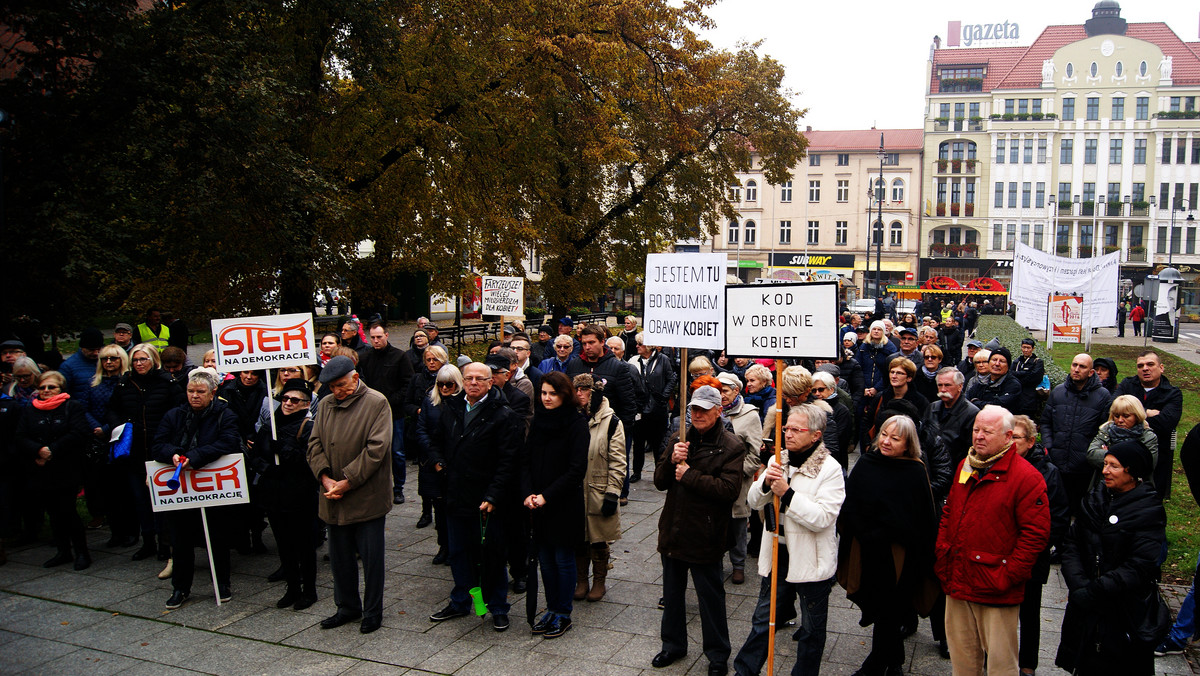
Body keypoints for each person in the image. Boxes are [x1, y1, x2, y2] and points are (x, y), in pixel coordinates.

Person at [936, 405, 1050, 676]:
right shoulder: (966, 465)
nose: (979, 436)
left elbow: (1035, 535)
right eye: (976, 429)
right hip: (958, 579)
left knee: (1001, 666)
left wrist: (1008, 575)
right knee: (963, 663)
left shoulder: (1027, 477)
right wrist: (943, 553)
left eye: (987, 431)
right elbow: (949, 511)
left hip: (995, 587)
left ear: (1008, 437)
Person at [732, 404, 844, 676]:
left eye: (796, 429)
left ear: (816, 435)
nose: (789, 434)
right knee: (763, 620)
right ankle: (745, 671)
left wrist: (789, 494)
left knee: (811, 629)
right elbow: (754, 501)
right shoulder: (777, 460)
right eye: (786, 429)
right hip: (778, 551)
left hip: (810, 559)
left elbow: (822, 518)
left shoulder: (830, 468)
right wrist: (765, 485)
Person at [652, 385, 744, 675]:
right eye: (694, 409)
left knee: (710, 598)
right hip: (674, 529)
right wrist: (671, 458)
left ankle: (717, 654)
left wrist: (690, 474)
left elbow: (728, 490)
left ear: (719, 410)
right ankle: (672, 645)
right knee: (673, 593)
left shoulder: (731, 445)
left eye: (705, 409)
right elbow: (659, 481)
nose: (698, 414)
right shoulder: (679, 439)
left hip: (706, 534)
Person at [838, 415, 938, 676]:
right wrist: (864, 531)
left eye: (895, 438)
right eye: (884, 434)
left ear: (908, 444)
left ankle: (875, 664)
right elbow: (851, 504)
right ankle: (894, 660)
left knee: (890, 607)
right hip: (867, 547)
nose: (886, 441)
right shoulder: (868, 462)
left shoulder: (915, 470)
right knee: (879, 604)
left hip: (899, 553)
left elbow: (921, 516)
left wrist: (889, 530)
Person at [1055, 440, 1165, 676]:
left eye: (1113, 466)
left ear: (1131, 471)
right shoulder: (1096, 498)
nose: (1105, 471)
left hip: (1123, 612)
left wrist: (1095, 590)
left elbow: (1139, 564)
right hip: (1086, 605)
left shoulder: (1148, 509)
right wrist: (1078, 585)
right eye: (1105, 464)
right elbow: (1073, 543)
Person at [427, 361, 522, 632]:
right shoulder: (452, 407)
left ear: (491, 382)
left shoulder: (503, 414)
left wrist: (493, 495)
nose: (473, 383)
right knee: (458, 553)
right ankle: (462, 602)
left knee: (490, 555)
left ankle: (497, 607)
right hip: (455, 494)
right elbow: (435, 441)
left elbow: (508, 461)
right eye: (469, 378)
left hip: (486, 500)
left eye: (480, 379)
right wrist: (437, 462)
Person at [307, 355, 394, 634]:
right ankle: (346, 606)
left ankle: (372, 611)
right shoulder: (325, 404)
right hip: (332, 494)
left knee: (371, 560)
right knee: (340, 557)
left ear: (355, 378)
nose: (337, 391)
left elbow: (376, 449)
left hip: (365, 496)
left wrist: (347, 480)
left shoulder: (376, 402)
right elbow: (314, 444)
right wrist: (324, 476)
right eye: (332, 387)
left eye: (342, 385)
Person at [151, 369, 241, 608]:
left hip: (212, 486)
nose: (194, 396)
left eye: (200, 392)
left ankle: (222, 584)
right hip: (182, 490)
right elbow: (158, 444)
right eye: (190, 391)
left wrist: (196, 456)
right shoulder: (174, 415)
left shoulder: (225, 415)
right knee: (180, 540)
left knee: (217, 538)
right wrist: (172, 455)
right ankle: (180, 588)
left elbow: (229, 441)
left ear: (213, 393)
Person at [521, 371, 588, 638]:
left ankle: (563, 612)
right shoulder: (538, 421)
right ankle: (550, 608)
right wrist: (527, 493)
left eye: (553, 393)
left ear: (564, 394)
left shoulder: (576, 423)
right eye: (544, 393)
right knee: (545, 560)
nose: (547, 398)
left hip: (563, 503)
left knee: (562, 559)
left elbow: (576, 469)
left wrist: (546, 495)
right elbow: (525, 459)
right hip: (537, 503)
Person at [106, 343, 185, 560]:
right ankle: (148, 541)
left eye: (144, 359)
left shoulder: (167, 382)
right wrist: (118, 426)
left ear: (153, 361)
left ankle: (164, 544)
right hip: (134, 451)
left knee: (161, 499)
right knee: (140, 500)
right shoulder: (124, 383)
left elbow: (180, 410)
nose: (139, 364)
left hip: (159, 450)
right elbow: (112, 409)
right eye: (136, 360)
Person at [249, 379, 319, 611]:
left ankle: (309, 590)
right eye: (285, 398)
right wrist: (267, 468)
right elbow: (255, 454)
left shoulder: (309, 426)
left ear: (305, 403)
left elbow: (311, 461)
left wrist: (285, 450)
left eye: (294, 400)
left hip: (299, 495)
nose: (288, 403)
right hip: (273, 493)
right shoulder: (272, 423)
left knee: (304, 544)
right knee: (283, 543)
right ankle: (292, 588)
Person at [1009, 415, 1070, 676]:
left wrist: (1037, 547)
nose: (1010, 442)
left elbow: (1058, 518)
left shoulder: (1048, 472)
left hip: (1032, 556)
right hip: (1001, 554)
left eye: (1016, 438)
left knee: (1029, 613)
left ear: (1031, 442)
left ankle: (1027, 666)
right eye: (1007, 436)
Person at [17, 371, 92, 570]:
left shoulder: (72, 406)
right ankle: (63, 551)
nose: (46, 391)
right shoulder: (30, 409)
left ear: (61, 389)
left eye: (51, 387)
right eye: (42, 388)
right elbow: (21, 435)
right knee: (53, 512)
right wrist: (38, 451)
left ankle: (82, 552)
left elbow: (79, 432)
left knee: (68, 511)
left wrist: (52, 450)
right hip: (42, 469)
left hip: (67, 467)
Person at [573, 373, 626, 603]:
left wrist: (613, 492)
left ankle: (599, 581)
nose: (579, 394)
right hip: (575, 490)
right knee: (578, 537)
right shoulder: (572, 418)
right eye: (576, 389)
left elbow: (618, 461)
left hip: (599, 488)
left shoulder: (612, 421)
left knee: (598, 539)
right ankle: (581, 580)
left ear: (594, 393)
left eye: (584, 390)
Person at [1040, 353, 1112, 514]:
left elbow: (1104, 429)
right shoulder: (1058, 392)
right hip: (1056, 460)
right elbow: (1045, 422)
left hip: (1083, 465)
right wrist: (1049, 446)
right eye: (1074, 365)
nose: (1077, 369)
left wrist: (1091, 452)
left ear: (1091, 372)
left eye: (1082, 366)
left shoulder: (1103, 396)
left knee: (1079, 509)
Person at [356, 322, 414, 505]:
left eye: (379, 337)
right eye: (372, 337)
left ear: (387, 335)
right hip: (370, 413)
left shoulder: (399, 356)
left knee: (396, 451)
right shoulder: (365, 358)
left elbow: (408, 383)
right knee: (372, 451)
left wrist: (393, 400)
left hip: (393, 412)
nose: (376, 340)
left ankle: (398, 489)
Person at [715, 372, 763, 585]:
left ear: (736, 391)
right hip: (714, 479)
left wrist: (738, 472)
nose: (721, 395)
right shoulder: (712, 410)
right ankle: (714, 561)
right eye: (718, 390)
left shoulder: (749, 414)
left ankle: (738, 565)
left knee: (738, 525)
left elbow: (754, 453)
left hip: (737, 481)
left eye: (725, 390)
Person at [1114, 351, 1182, 498]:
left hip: (1156, 457)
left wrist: (1128, 415)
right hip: (1123, 451)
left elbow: (1165, 423)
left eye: (1150, 364)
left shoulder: (1172, 393)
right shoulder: (1127, 385)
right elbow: (1112, 409)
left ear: (1161, 367)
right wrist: (1146, 412)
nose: (1145, 368)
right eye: (1140, 366)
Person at [415, 364, 463, 564]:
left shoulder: (462, 403)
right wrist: (435, 458)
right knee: (439, 508)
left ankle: (456, 546)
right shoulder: (430, 402)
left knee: (455, 510)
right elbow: (421, 429)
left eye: (449, 385)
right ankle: (443, 545)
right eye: (440, 384)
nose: (444, 389)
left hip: (455, 463)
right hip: (433, 462)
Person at [406, 344, 448, 529]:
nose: (431, 363)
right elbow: (407, 403)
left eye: (435, 359)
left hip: (440, 437)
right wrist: (418, 410)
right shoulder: (417, 379)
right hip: (422, 431)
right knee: (425, 478)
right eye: (428, 359)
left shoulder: (448, 378)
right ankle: (425, 512)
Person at [628, 334, 677, 477]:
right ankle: (636, 471)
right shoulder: (633, 361)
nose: (637, 346)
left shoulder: (663, 360)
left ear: (648, 346)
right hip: (640, 407)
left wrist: (664, 396)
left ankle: (659, 470)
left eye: (640, 344)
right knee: (638, 442)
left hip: (658, 407)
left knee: (658, 442)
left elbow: (671, 378)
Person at [1086, 395, 1159, 489]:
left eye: (1126, 416)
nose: (1120, 420)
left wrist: (1109, 453)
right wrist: (1126, 459)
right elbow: (1091, 454)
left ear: (1137, 416)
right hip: (1103, 487)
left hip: (1136, 489)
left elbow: (1146, 465)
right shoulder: (1106, 431)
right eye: (1116, 416)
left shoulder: (1148, 437)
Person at [965, 346, 1021, 411]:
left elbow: (998, 406)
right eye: (994, 360)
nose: (997, 364)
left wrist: (975, 402)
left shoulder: (1013, 385)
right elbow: (966, 401)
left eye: (1002, 361)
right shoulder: (982, 383)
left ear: (1008, 366)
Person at [60, 328, 103, 396]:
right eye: (91, 350)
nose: (96, 353)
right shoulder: (68, 367)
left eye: (98, 349)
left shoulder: (106, 361)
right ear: (82, 348)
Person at [1011, 338, 1045, 419]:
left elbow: (1034, 378)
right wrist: (1025, 373)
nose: (1025, 350)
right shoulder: (1017, 361)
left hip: (1030, 400)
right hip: (1016, 400)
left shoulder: (1037, 362)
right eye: (1024, 347)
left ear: (1033, 349)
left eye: (1028, 348)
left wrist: (1018, 376)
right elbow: (1010, 374)